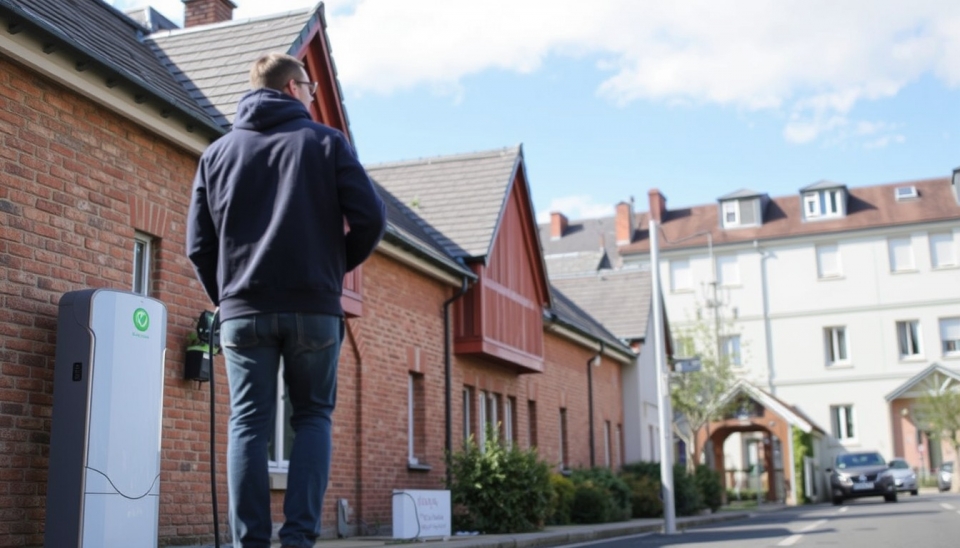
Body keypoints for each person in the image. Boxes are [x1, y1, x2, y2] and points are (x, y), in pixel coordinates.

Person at [186, 52, 386, 548]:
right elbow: (372, 219)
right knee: (313, 416)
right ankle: (298, 540)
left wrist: (228, 297)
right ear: (294, 88)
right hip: (314, 309)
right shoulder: (326, 143)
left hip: (243, 311)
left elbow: (197, 245)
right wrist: (330, 273)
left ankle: (250, 543)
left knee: (248, 422)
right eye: (313, 88)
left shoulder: (217, 154)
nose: (315, 97)